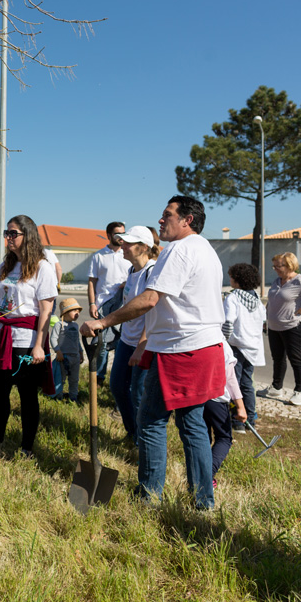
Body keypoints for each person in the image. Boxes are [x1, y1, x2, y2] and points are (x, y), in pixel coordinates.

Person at [81, 196, 225, 510]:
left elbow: (149, 300)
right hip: (202, 347)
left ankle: (149, 496)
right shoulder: (206, 249)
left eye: (167, 215)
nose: (160, 221)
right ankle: (203, 501)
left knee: (150, 421)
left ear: (187, 220)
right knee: (192, 425)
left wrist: (104, 321)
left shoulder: (179, 250)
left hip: (180, 349)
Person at [0, 214, 56, 458]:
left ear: (28, 236)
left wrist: (39, 346)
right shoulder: (6, 266)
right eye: (7, 233)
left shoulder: (42, 267)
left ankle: (26, 447)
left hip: (25, 342)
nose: (8, 238)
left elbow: (46, 309)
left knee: (27, 396)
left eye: (13, 233)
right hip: (1, 337)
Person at [108, 225, 160, 443]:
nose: (123, 245)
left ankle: (142, 441)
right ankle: (132, 432)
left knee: (139, 395)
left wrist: (141, 346)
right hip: (126, 340)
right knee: (118, 387)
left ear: (143, 247)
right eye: (123, 241)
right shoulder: (131, 271)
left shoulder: (153, 271)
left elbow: (154, 311)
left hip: (144, 344)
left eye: (129, 243)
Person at [259, 252, 301, 407]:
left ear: (290, 265)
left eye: (279, 266)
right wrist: (265, 318)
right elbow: (272, 301)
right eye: (274, 266)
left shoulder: (300, 280)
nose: (275, 269)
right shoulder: (277, 281)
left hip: (293, 326)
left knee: (296, 359)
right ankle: (276, 388)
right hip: (274, 326)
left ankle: (300, 393)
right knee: (278, 359)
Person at [222, 262, 266, 431]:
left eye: (232, 276)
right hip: (253, 347)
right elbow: (263, 321)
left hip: (236, 345)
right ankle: (250, 420)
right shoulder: (256, 298)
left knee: (234, 384)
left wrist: (223, 341)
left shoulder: (233, 297)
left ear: (237, 279)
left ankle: (237, 421)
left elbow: (228, 322)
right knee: (247, 384)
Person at [87, 221, 129, 384]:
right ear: (109, 235)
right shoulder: (98, 256)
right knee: (101, 344)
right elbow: (91, 282)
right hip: (103, 305)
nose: (121, 237)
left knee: (121, 343)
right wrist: (92, 304)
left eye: (123, 234)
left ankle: (119, 380)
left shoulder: (128, 254)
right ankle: (98, 378)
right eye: (118, 234)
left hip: (123, 305)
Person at [205, 341, 248, 487]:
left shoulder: (195, 338)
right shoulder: (223, 346)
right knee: (224, 438)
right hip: (217, 399)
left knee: (202, 437)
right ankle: (207, 475)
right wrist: (240, 406)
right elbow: (230, 379)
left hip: (197, 398)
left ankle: (197, 474)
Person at [51, 297, 84, 402]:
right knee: (61, 378)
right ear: (65, 312)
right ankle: (58, 396)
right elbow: (53, 338)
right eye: (74, 310)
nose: (77, 313)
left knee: (74, 379)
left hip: (75, 357)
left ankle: (73, 397)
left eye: (78, 311)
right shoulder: (59, 325)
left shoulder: (75, 325)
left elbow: (77, 340)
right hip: (63, 357)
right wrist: (57, 351)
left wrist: (81, 352)